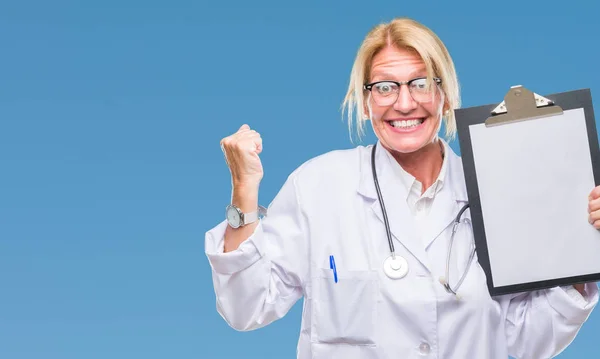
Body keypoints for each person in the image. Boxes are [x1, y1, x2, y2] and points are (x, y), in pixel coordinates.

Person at [205, 17, 600, 358]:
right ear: (364, 102)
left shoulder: (496, 188)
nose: (405, 103)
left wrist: (583, 252)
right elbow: (246, 307)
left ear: (444, 97)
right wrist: (245, 188)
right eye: (385, 87)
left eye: (421, 83)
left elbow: (532, 339)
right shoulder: (319, 187)